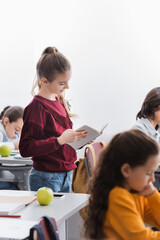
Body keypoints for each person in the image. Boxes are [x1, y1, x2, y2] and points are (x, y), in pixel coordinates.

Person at [19, 46, 88, 192]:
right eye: (62, 83)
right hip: (46, 177)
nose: (67, 86)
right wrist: (59, 140)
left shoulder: (60, 101)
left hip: (66, 173)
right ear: (45, 81)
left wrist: (79, 138)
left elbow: (61, 140)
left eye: (67, 81)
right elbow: (26, 148)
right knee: (47, 216)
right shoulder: (36, 108)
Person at [84, 129, 160, 240]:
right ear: (126, 170)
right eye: (148, 173)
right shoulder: (118, 196)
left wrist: (153, 194)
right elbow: (141, 237)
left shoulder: (136, 193)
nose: (152, 179)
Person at [0, 105, 24, 190]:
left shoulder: (8, 134)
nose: (18, 134)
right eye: (17, 129)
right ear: (6, 121)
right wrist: (14, 145)